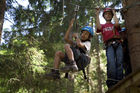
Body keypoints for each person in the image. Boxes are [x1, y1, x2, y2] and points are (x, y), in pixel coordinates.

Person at [96, 8, 124, 88]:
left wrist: (114, 13)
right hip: (109, 45)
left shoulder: (114, 25)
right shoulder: (103, 26)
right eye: (106, 14)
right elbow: (98, 26)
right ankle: (112, 81)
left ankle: (120, 79)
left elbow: (117, 24)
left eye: (109, 14)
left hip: (118, 43)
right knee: (111, 62)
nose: (108, 15)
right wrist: (97, 14)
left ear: (111, 16)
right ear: (104, 16)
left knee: (119, 62)